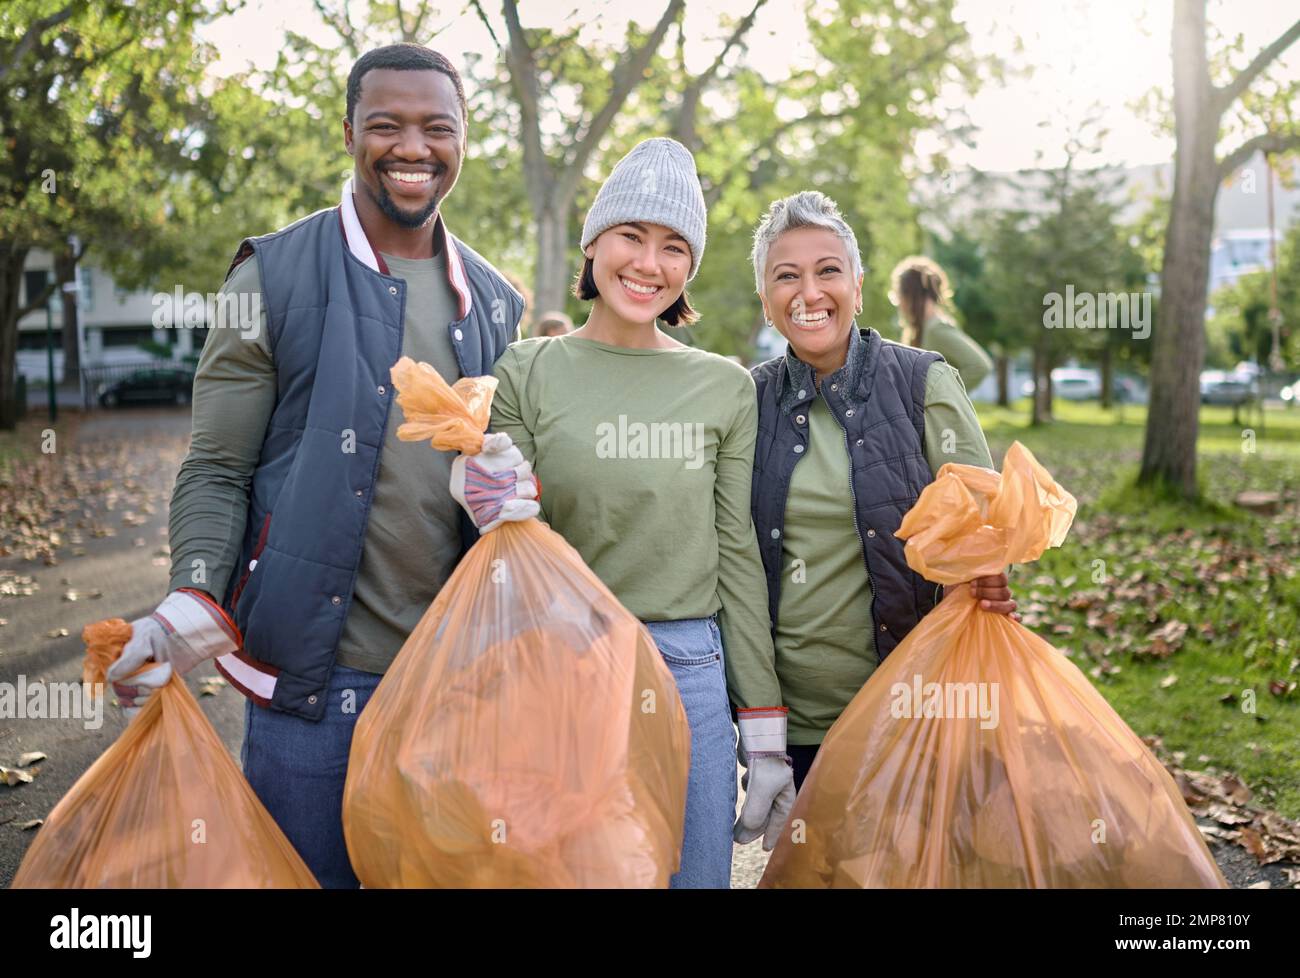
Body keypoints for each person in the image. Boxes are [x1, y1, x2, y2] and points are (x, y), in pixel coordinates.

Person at [104, 44, 530, 888]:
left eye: (436, 127)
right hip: (308, 684)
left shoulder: (497, 301)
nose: (413, 147)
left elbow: (503, 491)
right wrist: (189, 593)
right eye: (386, 125)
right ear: (348, 134)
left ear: (463, 140)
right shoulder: (270, 275)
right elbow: (218, 468)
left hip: (448, 685)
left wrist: (510, 491)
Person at [489, 138, 775, 888]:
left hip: (687, 668)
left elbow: (736, 551)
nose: (649, 263)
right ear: (592, 244)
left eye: (674, 246)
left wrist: (764, 722)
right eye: (631, 236)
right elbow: (512, 542)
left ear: (690, 268)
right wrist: (488, 497)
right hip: (557, 662)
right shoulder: (526, 370)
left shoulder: (724, 387)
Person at [734, 192, 1017, 846]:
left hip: (911, 712)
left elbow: (980, 535)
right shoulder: (747, 401)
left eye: (828, 270)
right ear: (765, 298)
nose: (810, 291)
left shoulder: (923, 382)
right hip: (797, 727)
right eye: (786, 275)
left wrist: (987, 574)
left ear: (858, 288)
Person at [890, 255, 992, 392]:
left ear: (911, 296)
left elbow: (980, 366)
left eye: (900, 296)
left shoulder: (936, 330)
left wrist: (940, 399)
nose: (900, 304)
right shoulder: (924, 329)